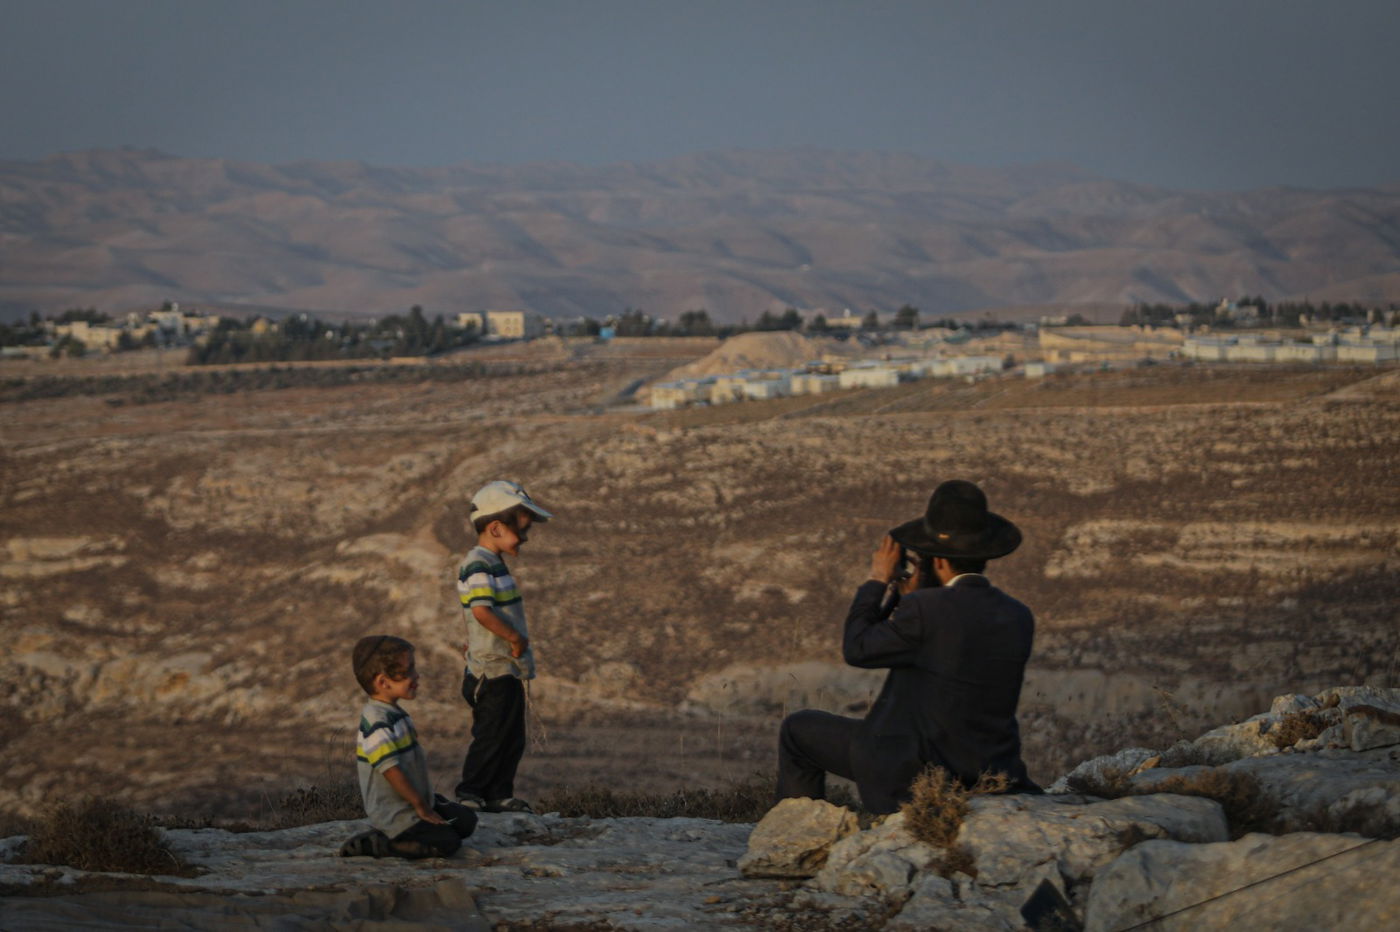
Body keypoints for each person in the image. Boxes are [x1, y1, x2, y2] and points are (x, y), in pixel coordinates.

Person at [775, 479, 1040, 814]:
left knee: (797, 730)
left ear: (939, 563)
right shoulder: (1018, 614)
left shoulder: (927, 611)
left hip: (913, 773)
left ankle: (795, 836)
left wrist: (878, 580)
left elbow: (857, 647)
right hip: (987, 770)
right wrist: (914, 598)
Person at [453, 480, 553, 813]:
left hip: (505, 668)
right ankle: (471, 793)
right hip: (491, 669)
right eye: (521, 529)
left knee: (512, 735)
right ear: (495, 527)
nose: (525, 537)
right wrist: (514, 638)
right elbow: (481, 611)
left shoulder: (493, 564)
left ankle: (498, 792)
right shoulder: (478, 563)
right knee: (492, 733)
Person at [341, 635, 478, 859]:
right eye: (408, 672)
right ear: (383, 682)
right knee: (447, 843)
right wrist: (420, 806)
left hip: (411, 801)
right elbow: (391, 771)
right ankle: (383, 843)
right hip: (395, 810)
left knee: (466, 822)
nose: (416, 676)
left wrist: (425, 801)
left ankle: (420, 818)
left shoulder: (393, 713)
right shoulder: (377, 722)